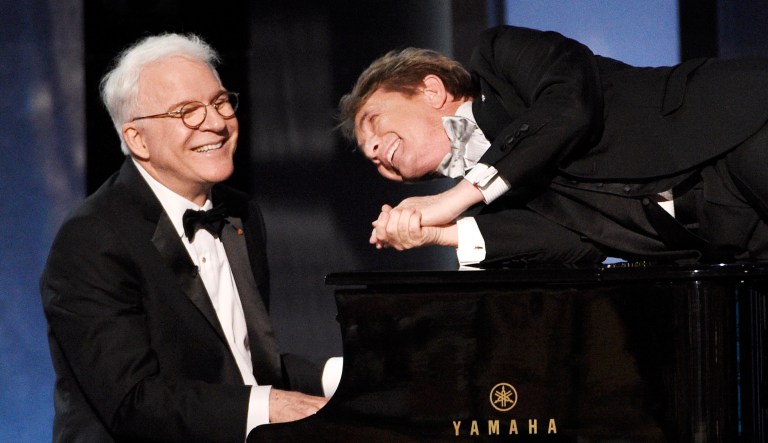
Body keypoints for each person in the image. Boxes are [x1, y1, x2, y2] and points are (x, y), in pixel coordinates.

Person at [40, 33, 334, 442]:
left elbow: (240, 363)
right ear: (137, 139)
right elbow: (135, 402)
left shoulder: (239, 212)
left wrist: (344, 375)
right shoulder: (91, 240)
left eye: (219, 102)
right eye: (187, 112)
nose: (215, 123)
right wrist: (272, 404)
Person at [338, 25, 768, 266]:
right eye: (369, 154)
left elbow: (569, 110)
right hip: (733, 237)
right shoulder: (495, 202)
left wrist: (455, 200)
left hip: (738, 136)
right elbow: (573, 244)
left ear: (430, 90)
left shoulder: (499, 57)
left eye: (373, 122)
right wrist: (439, 232)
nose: (374, 150)